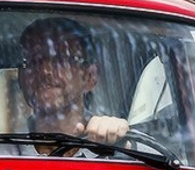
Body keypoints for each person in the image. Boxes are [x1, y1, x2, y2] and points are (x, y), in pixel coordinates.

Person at [17, 17, 129, 146]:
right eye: (33, 60)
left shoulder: (116, 148)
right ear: (21, 78)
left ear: (89, 77)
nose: (45, 71)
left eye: (61, 59)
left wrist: (124, 148)